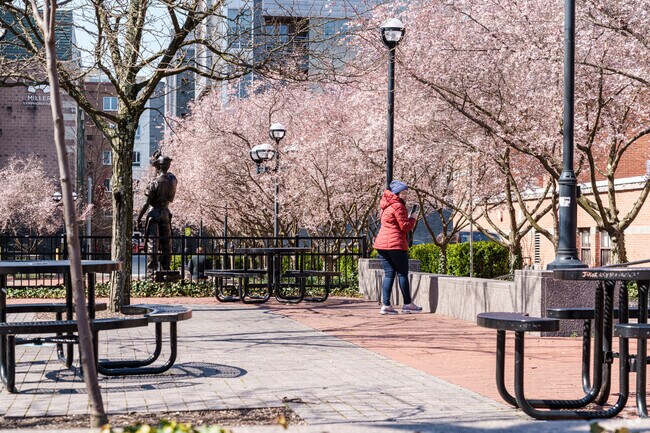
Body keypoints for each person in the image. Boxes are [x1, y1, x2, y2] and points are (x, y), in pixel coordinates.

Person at [373, 180, 423, 315]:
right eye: (403, 193)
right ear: (396, 193)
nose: (405, 195)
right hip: (395, 245)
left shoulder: (385, 206)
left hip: (382, 245)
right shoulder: (398, 206)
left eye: (406, 192)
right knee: (402, 274)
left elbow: (392, 223)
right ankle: (407, 304)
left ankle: (386, 305)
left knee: (389, 274)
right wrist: (412, 218)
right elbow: (405, 227)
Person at [137, 151, 178, 280]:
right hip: (166, 213)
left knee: (152, 243)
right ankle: (166, 268)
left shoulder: (153, 183)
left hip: (154, 213)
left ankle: (151, 271)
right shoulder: (173, 179)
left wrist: (139, 217)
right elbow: (162, 177)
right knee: (167, 242)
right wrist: (158, 163)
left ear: (158, 167)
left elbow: (146, 203)